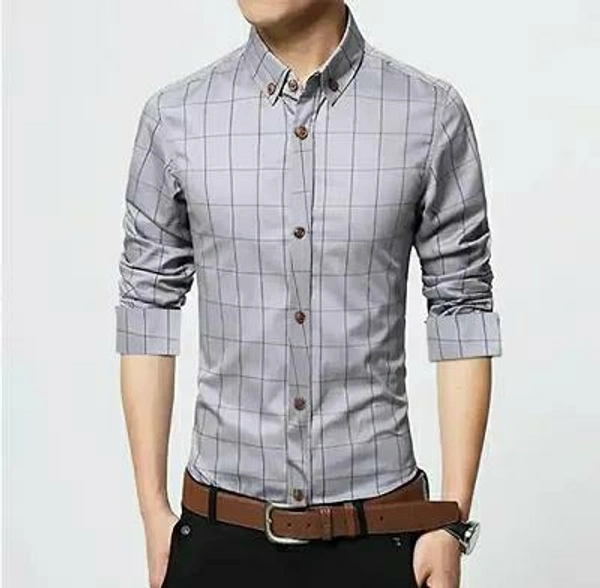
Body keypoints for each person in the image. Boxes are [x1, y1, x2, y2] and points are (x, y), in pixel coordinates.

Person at [114, 1, 502, 587]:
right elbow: (146, 306)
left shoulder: (428, 115)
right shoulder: (176, 118)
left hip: (382, 536)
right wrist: (152, 512)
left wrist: (451, 519)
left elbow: (462, 308)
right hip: (219, 540)